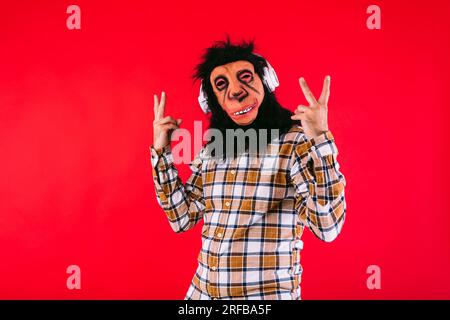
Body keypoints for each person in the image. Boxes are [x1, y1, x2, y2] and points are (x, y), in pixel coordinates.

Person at [150, 39, 346, 300]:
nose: (236, 91)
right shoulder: (213, 151)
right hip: (200, 296)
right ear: (213, 101)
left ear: (266, 82)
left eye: (245, 77)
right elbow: (181, 218)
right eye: (222, 85)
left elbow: (327, 226)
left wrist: (320, 138)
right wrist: (162, 153)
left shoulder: (295, 142)